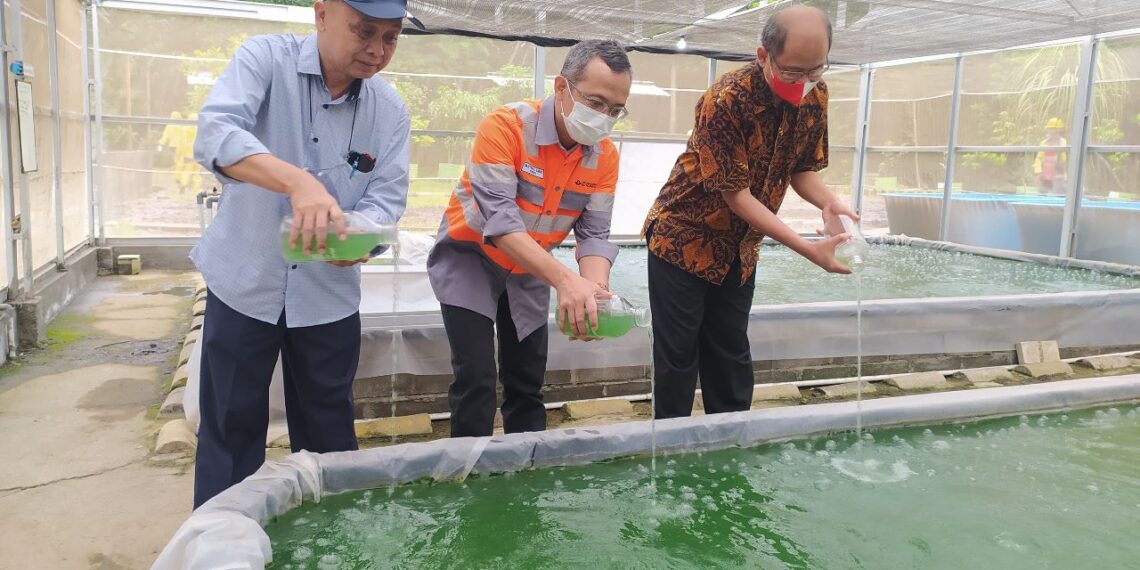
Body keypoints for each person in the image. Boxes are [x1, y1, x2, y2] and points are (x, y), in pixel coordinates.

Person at [190, 0, 415, 507]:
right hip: (245, 280)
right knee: (230, 425)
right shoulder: (265, 61)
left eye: (391, 38)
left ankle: (330, 543)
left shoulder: (390, 110)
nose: (376, 51)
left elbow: (386, 201)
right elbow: (216, 133)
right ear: (322, 13)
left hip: (328, 294)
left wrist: (357, 235)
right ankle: (222, 543)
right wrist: (297, 182)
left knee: (329, 433)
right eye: (365, 31)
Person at [642, 5, 858, 420]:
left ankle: (731, 443)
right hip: (683, 238)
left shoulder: (816, 95)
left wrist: (831, 203)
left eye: (816, 69)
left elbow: (801, 169)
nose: (804, 83)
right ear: (764, 56)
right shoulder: (726, 99)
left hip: (740, 248)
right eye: (793, 72)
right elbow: (737, 197)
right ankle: (670, 451)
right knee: (678, 356)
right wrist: (810, 249)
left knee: (730, 350)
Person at [427, 40, 633, 437]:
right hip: (471, 258)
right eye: (595, 101)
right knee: (476, 380)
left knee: (527, 382)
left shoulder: (605, 156)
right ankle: (471, 480)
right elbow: (501, 225)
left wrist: (594, 289)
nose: (603, 116)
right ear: (561, 87)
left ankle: (528, 478)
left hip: (532, 268)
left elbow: (593, 234)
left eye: (615, 109)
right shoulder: (504, 127)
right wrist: (566, 281)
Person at [1033, 117, 1068, 196]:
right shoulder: (1044, 143)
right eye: (1049, 129)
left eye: (1051, 129)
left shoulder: (1062, 143)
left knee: (1058, 196)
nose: (1049, 131)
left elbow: (1064, 160)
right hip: (1044, 176)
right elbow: (1038, 159)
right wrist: (1038, 171)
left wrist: (1065, 174)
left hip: (1057, 177)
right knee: (1042, 195)